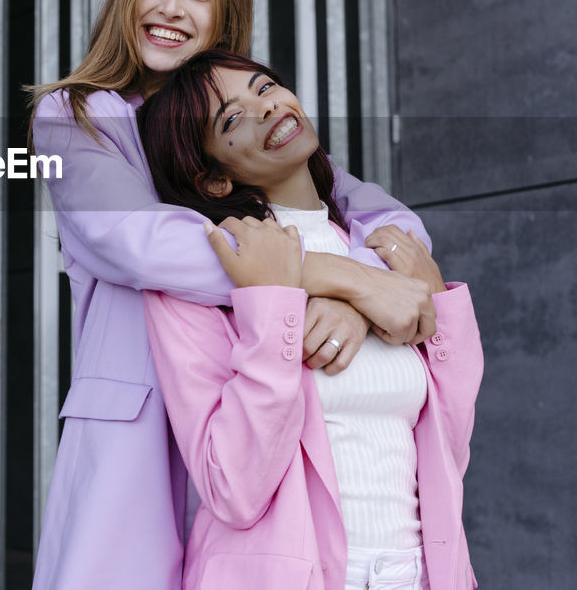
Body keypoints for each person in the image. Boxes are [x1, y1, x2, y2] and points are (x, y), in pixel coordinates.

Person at [28, 0, 437, 589]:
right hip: (141, 429)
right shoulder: (77, 115)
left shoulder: (256, 133)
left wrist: (363, 300)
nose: (170, 8)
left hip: (244, 401)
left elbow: (392, 223)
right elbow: (139, 242)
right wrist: (338, 278)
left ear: (225, 17)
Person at [137, 48, 482, 589]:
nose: (267, 108)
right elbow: (233, 487)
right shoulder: (193, 281)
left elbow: (449, 449)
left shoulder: (379, 251)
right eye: (232, 118)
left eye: (265, 87)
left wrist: (437, 301)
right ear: (213, 182)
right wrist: (272, 303)